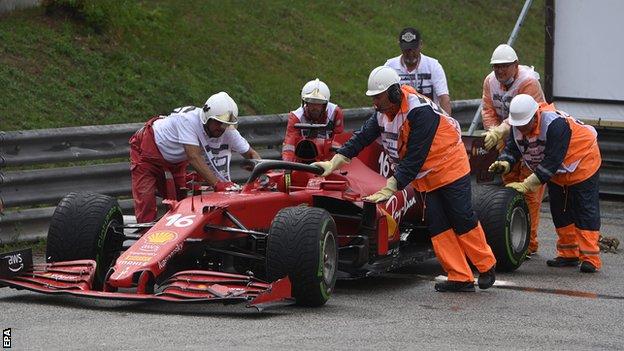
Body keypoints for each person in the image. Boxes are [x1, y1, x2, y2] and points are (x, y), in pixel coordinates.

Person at [313, 66, 496, 292]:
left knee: (461, 217)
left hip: (449, 167)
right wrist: (334, 162)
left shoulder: (420, 112)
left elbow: (414, 158)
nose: (375, 103)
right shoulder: (382, 114)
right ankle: (460, 276)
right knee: (438, 224)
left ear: (393, 93)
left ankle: (486, 265)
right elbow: (360, 139)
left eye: (378, 97)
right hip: (427, 175)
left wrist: (391, 186)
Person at [489, 94, 602, 273]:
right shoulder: (518, 125)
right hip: (558, 170)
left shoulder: (555, 125)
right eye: (517, 126)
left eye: (524, 125)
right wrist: (505, 163)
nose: (521, 129)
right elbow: (513, 148)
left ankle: (590, 258)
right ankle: (568, 254)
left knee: (584, 208)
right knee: (560, 209)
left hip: (582, 161)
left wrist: (527, 184)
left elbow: (552, 160)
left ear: (535, 117)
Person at [129, 92, 261, 223]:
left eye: (226, 124)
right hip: (147, 151)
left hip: (176, 161)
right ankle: (145, 235)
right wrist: (217, 184)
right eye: (218, 122)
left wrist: (263, 175)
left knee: (181, 205)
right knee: (146, 204)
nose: (222, 128)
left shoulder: (227, 129)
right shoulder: (187, 120)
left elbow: (251, 154)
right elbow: (193, 156)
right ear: (207, 118)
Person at [481, 44, 546, 256]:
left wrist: (500, 131)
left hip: (532, 138)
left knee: (530, 192)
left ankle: (529, 243)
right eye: (496, 66)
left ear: (515, 65)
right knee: (509, 189)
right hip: (508, 141)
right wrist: (493, 133)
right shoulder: (490, 81)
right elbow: (488, 109)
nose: (500, 71)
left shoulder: (528, 82)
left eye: (505, 66)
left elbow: (523, 117)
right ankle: (511, 236)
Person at [384, 27, 452, 115]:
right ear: (400, 46)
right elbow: (383, 98)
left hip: (429, 120)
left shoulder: (433, 66)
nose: (411, 53)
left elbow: (444, 98)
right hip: (401, 121)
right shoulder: (390, 67)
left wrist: (448, 124)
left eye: (413, 49)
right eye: (407, 50)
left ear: (421, 44)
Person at [282, 79, 345, 162]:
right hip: (302, 159)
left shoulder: (335, 113)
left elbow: (338, 141)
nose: (315, 107)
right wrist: (288, 165)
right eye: (311, 102)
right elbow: (289, 145)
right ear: (305, 102)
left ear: (325, 104)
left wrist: (333, 164)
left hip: (328, 160)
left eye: (319, 103)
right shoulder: (296, 117)